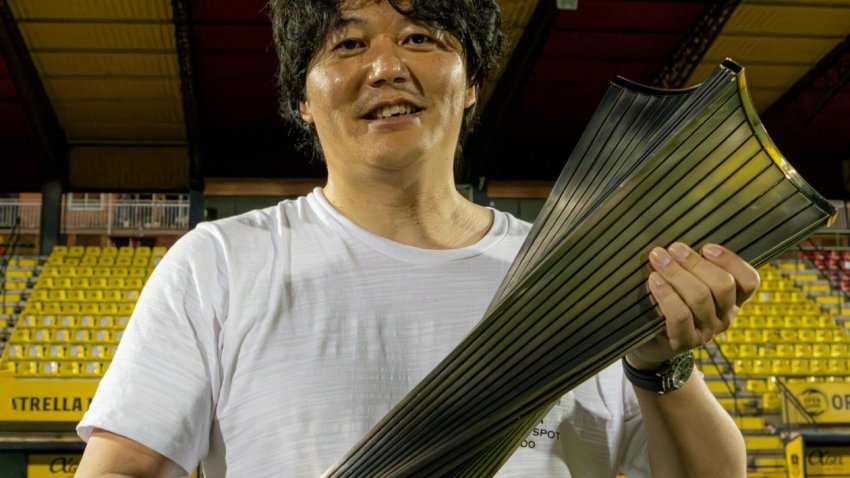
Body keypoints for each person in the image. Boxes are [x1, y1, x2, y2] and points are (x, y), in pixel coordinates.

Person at [75, 0, 759, 476]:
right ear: (302, 100)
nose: (386, 67)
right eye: (348, 44)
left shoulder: (571, 273)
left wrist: (657, 365)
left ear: (471, 84)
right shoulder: (221, 263)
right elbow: (121, 470)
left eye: (421, 38)